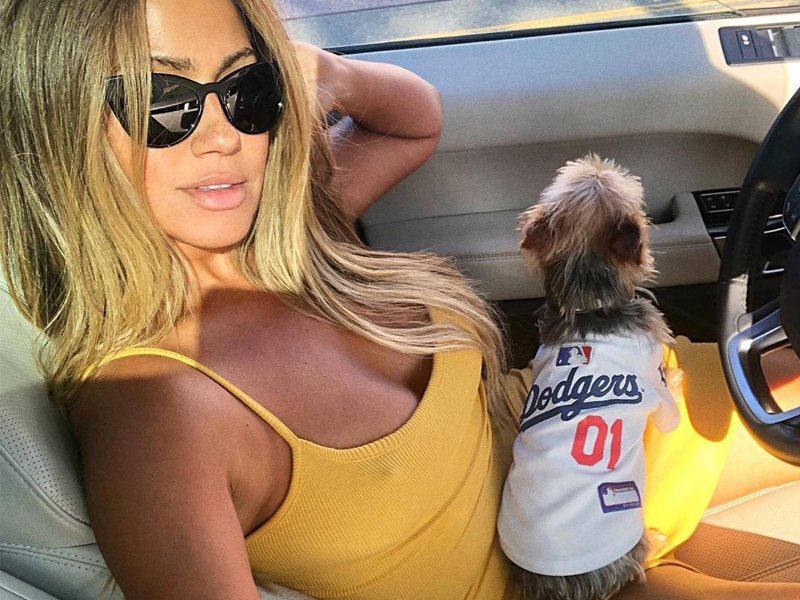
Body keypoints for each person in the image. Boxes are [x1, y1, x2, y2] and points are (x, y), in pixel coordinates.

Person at [0, 1, 798, 599]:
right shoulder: (156, 409)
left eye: (248, 88)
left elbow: (414, 123)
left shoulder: (292, 232)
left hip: (599, 439)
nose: (222, 134)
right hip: (578, 571)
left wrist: (322, 73)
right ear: (58, 118)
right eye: (163, 101)